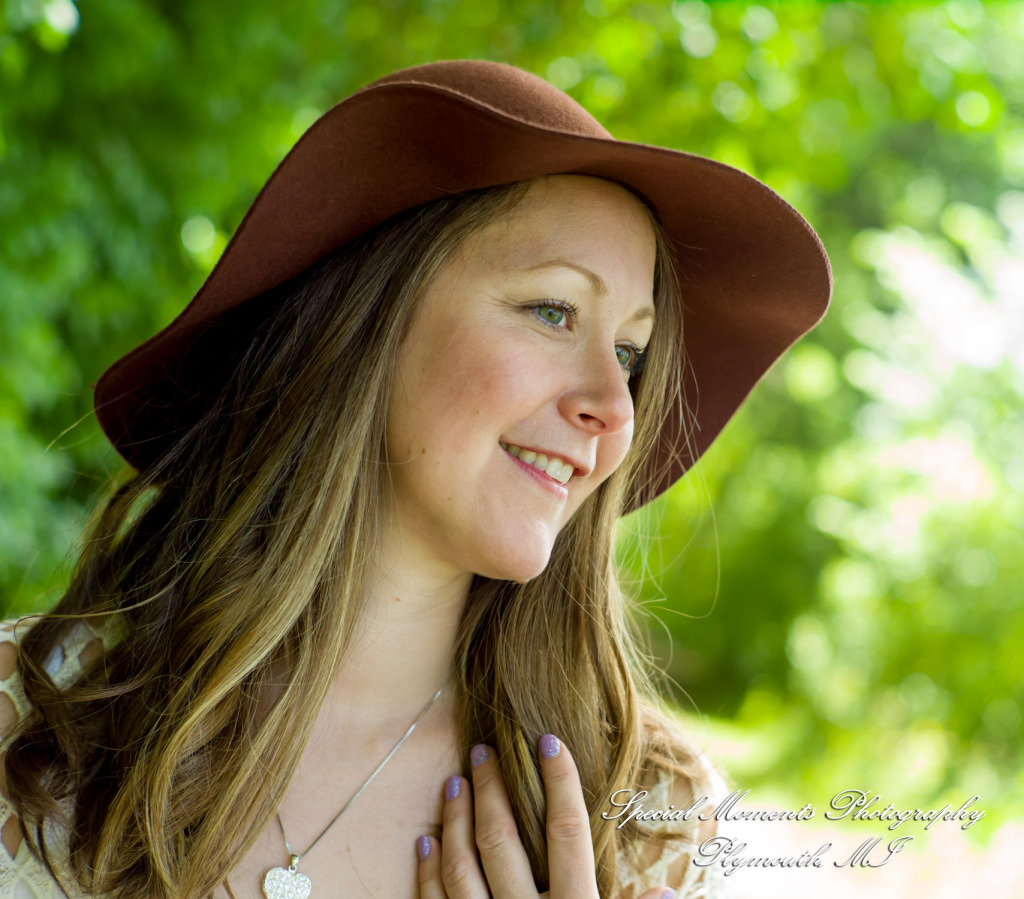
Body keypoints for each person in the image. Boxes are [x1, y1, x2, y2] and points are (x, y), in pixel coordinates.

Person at [0, 60, 831, 898]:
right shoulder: (24, 720)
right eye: (554, 311)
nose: (615, 404)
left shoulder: (660, 824)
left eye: (629, 354)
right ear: (370, 319)